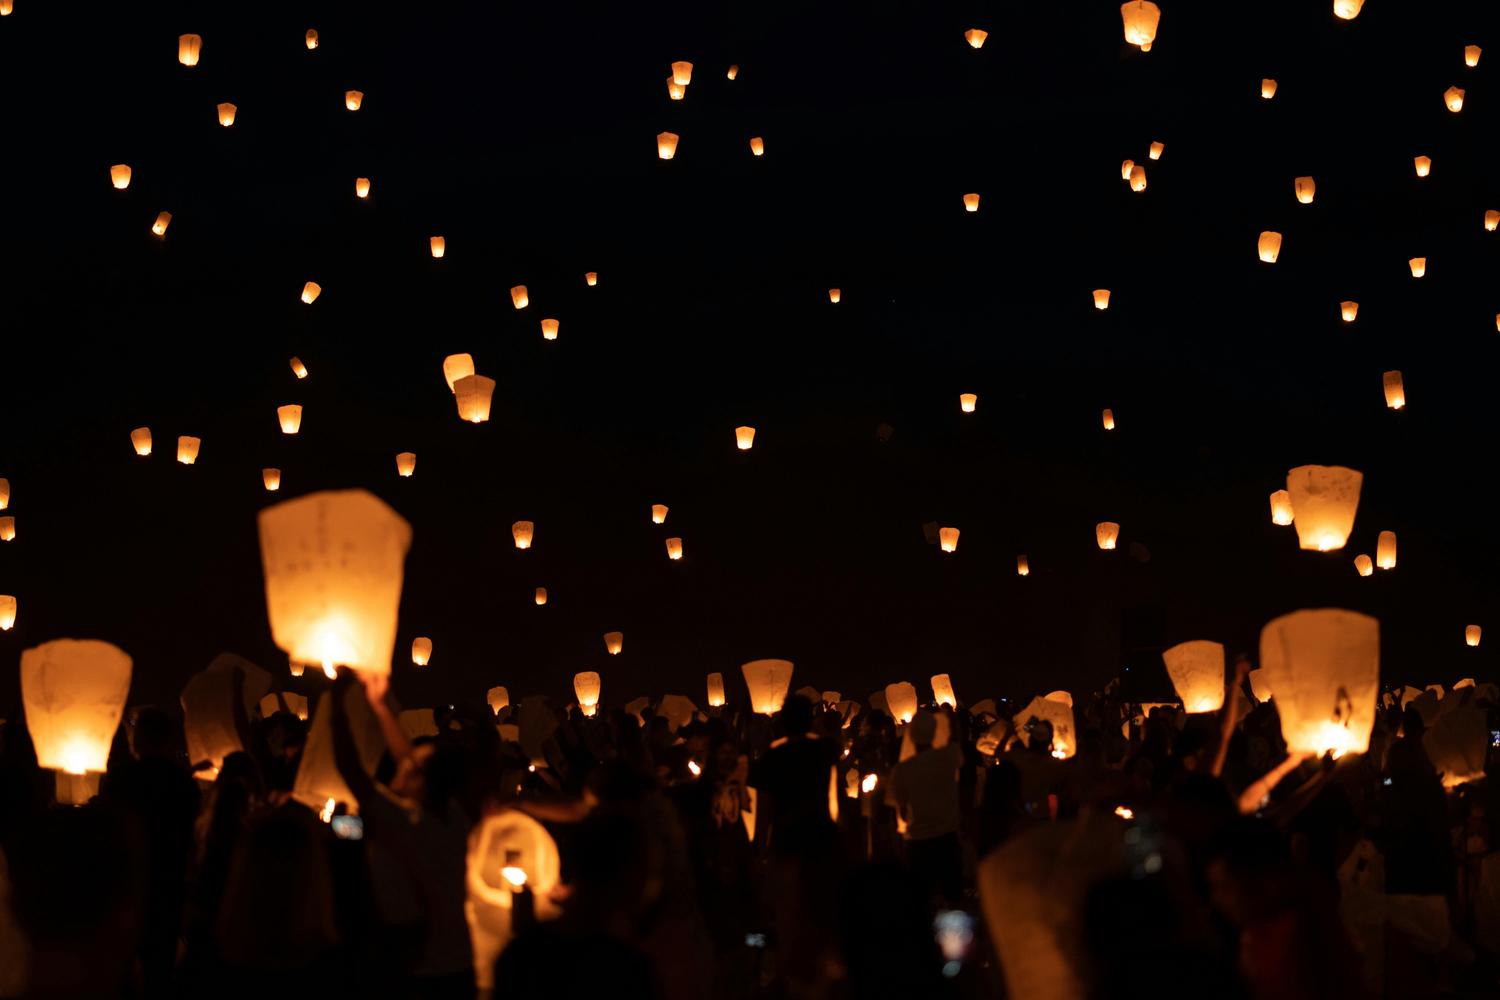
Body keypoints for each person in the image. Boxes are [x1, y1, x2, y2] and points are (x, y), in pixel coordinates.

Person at [330, 670, 475, 998]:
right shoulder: (452, 816)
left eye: (409, 767)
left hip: (419, 974)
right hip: (459, 966)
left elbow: (349, 767)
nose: (402, 763)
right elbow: (409, 757)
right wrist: (379, 707)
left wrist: (337, 703)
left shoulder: (406, 821)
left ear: (421, 782)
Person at [890, 710, 963, 908]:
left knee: (920, 900)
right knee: (953, 898)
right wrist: (951, 718)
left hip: (918, 843)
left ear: (911, 735)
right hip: (948, 838)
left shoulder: (902, 770)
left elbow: (901, 810)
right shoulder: (949, 756)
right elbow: (956, 738)